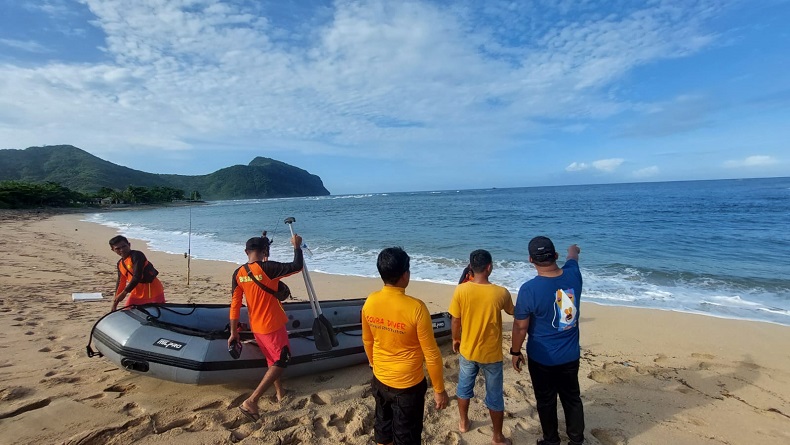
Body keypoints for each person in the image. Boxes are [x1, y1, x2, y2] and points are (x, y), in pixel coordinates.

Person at [361, 247, 449, 445]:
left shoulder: (370, 301)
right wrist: (439, 390)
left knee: (383, 428)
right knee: (407, 435)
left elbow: (367, 340)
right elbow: (431, 353)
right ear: (404, 275)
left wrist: (374, 365)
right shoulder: (416, 308)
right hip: (408, 386)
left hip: (380, 378)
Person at [510, 236, 584, 445]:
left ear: (530, 259)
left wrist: (515, 352)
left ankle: (551, 440)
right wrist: (574, 249)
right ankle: (576, 440)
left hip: (542, 358)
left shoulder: (529, 289)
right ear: (556, 256)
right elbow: (573, 257)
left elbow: (520, 326)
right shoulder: (573, 274)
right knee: (572, 399)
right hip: (570, 355)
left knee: (546, 400)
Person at [229, 234, 303, 422]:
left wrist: (233, 332)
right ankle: (252, 401)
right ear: (265, 252)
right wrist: (296, 246)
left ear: (246, 252)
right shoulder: (269, 268)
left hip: (257, 326)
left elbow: (235, 304)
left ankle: (280, 393)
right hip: (272, 325)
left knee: (272, 358)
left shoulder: (238, 273)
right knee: (282, 359)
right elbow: (297, 266)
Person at [449, 249, 514, 445]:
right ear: (489, 267)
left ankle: (463, 422)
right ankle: (497, 437)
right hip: (491, 354)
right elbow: (514, 312)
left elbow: (455, 320)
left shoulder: (461, 290)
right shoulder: (500, 293)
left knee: (464, 388)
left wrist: (455, 339)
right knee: (494, 396)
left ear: (470, 267)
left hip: (468, 351)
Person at [109, 235, 165, 311]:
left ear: (129, 245)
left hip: (153, 290)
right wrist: (114, 304)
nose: (121, 250)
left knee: (159, 313)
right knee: (129, 312)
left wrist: (124, 293)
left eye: (124, 246)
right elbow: (120, 283)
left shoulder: (137, 255)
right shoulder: (120, 264)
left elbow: (137, 276)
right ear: (113, 250)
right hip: (136, 293)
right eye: (117, 248)